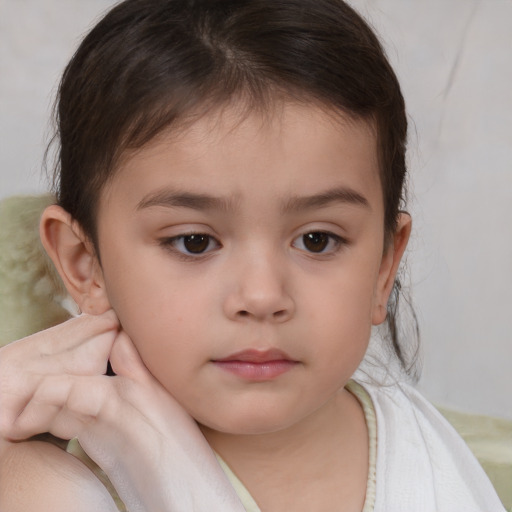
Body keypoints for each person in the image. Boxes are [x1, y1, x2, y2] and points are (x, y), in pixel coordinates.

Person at [0, 0, 505, 511]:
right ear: (85, 264)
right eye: (194, 241)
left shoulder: (436, 455)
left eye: (317, 240)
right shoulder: (47, 490)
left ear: (382, 267)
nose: (262, 297)